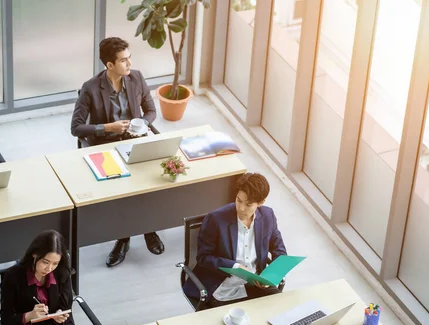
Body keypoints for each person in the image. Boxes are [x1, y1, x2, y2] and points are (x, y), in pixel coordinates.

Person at [70, 36, 165, 267]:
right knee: (124, 192)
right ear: (109, 65)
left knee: (147, 186)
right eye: (123, 60)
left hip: (135, 140)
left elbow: (151, 110)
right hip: (106, 147)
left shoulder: (136, 78)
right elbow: (76, 127)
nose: (129, 64)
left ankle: (147, 228)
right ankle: (124, 238)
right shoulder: (90, 88)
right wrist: (107, 128)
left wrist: (141, 122)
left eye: (129, 58)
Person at [186, 173, 287, 308]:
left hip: (256, 285)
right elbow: (204, 257)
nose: (241, 208)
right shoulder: (216, 219)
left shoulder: (268, 216)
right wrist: (233, 267)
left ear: (261, 202)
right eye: (238, 200)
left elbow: (280, 252)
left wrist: (272, 276)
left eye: (248, 204)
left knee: (279, 309)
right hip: (223, 288)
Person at [0, 231, 83, 325]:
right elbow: (6, 320)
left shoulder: (61, 271)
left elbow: (66, 307)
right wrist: (29, 316)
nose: (49, 269)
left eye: (55, 263)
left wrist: (60, 314)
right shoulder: (13, 276)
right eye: (45, 262)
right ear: (34, 254)